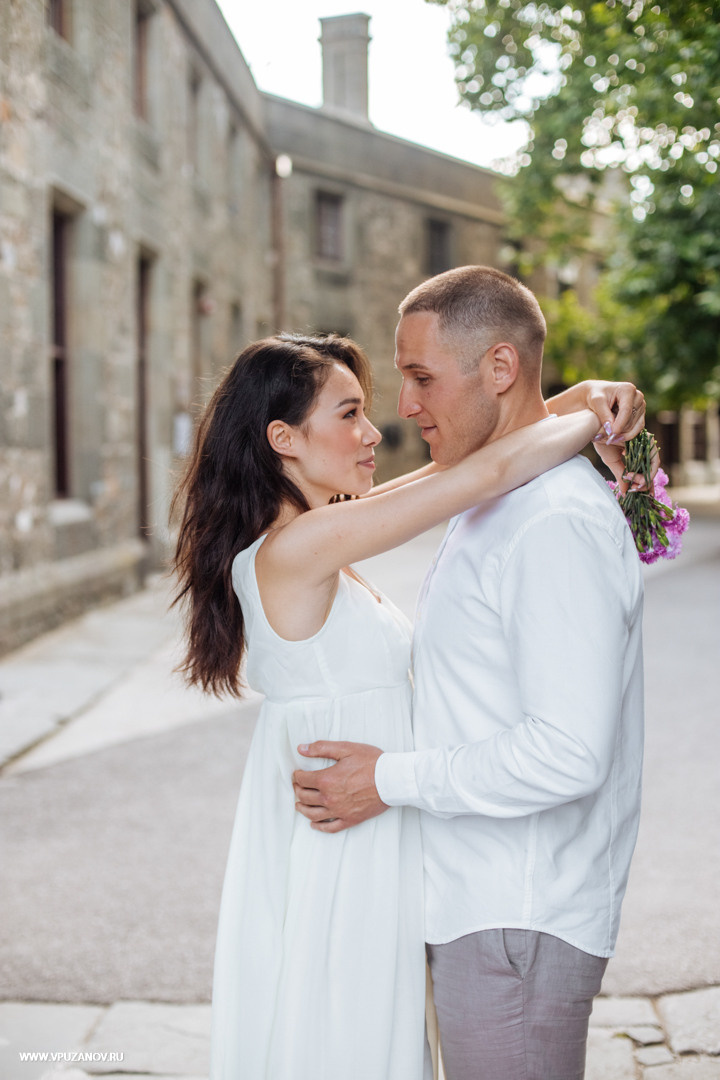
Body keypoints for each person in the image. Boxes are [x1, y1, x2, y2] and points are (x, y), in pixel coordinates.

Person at [172, 328, 645, 1080]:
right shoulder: (297, 550)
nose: (374, 433)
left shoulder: (317, 535)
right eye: (349, 413)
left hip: (369, 833)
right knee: (344, 1039)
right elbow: (474, 476)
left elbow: (456, 465)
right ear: (283, 437)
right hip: (341, 849)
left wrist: (576, 400)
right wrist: (594, 411)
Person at [293, 267, 647, 1080]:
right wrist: (584, 398)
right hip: (482, 909)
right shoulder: (497, 494)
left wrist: (390, 778)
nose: (406, 405)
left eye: (421, 377)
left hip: (517, 919)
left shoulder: (552, 521)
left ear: (498, 369)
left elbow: (568, 752)